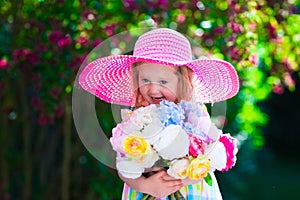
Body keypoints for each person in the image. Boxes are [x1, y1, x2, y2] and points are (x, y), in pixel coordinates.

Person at [79, 28, 239, 199]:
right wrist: (145, 185)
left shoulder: (194, 115)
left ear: (183, 81)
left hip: (190, 191)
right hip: (147, 191)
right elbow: (123, 165)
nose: (153, 88)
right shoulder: (138, 118)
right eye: (145, 80)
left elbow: (210, 158)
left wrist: (180, 180)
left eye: (163, 81)